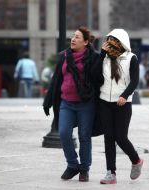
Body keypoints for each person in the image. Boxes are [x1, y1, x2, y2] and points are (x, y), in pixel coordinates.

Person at [42, 26, 101, 182]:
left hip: (86, 104)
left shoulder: (94, 57)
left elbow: (98, 79)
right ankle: (73, 165)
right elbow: (56, 80)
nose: (73, 39)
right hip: (66, 103)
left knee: (84, 137)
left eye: (77, 37)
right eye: (72, 36)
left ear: (86, 42)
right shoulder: (63, 56)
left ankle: (84, 169)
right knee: (63, 133)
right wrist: (47, 101)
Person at [98, 29, 143, 184]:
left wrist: (125, 95)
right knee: (108, 137)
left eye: (113, 40)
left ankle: (136, 160)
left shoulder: (131, 58)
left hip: (122, 103)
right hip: (104, 102)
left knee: (121, 137)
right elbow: (96, 74)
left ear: (121, 42)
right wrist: (101, 54)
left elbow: (135, 81)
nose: (109, 43)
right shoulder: (104, 58)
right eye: (108, 40)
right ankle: (111, 173)